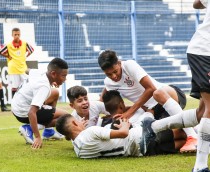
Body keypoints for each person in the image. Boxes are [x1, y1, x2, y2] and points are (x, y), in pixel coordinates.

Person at [141, 0, 210, 172]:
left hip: (203, 51)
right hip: (204, 52)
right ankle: (199, 167)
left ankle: (153, 127)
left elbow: (197, 3)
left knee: (202, 112)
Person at [98, 49, 197, 153]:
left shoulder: (129, 65)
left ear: (119, 63)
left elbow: (151, 88)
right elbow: (108, 100)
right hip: (155, 110)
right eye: (109, 74)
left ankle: (193, 137)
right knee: (165, 135)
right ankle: (200, 131)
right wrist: (108, 114)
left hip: (169, 95)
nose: (113, 76)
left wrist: (129, 112)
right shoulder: (109, 83)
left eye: (115, 71)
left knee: (157, 93)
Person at [55, 113, 187, 159]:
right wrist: (124, 124)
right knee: (182, 133)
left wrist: (79, 128)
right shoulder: (91, 132)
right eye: (77, 120)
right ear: (74, 122)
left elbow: (73, 138)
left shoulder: (78, 151)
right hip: (141, 137)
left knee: (182, 141)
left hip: (141, 152)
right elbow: (123, 133)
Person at [102, 90, 187, 156]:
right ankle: (193, 138)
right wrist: (137, 107)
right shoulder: (138, 112)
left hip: (142, 151)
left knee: (177, 143)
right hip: (152, 135)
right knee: (182, 135)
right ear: (121, 104)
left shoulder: (107, 127)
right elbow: (150, 111)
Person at [11, 58, 68, 149]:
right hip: (24, 112)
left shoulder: (39, 73)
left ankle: (48, 132)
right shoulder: (44, 86)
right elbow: (31, 112)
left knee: (55, 93)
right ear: (53, 74)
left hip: (16, 105)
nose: (65, 79)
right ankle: (28, 128)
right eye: (63, 76)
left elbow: (26, 70)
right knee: (65, 117)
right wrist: (37, 137)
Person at [0, 27, 34, 97]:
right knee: (15, 87)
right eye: (15, 34)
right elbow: (0, 51)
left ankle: (24, 103)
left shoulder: (24, 43)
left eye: (18, 34)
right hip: (13, 69)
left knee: (26, 86)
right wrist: (8, 56)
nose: (17, 36)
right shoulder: (8, 45)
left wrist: (26, 56)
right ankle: (14, 104)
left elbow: (31, 50)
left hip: (23, 68)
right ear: (12, 35)